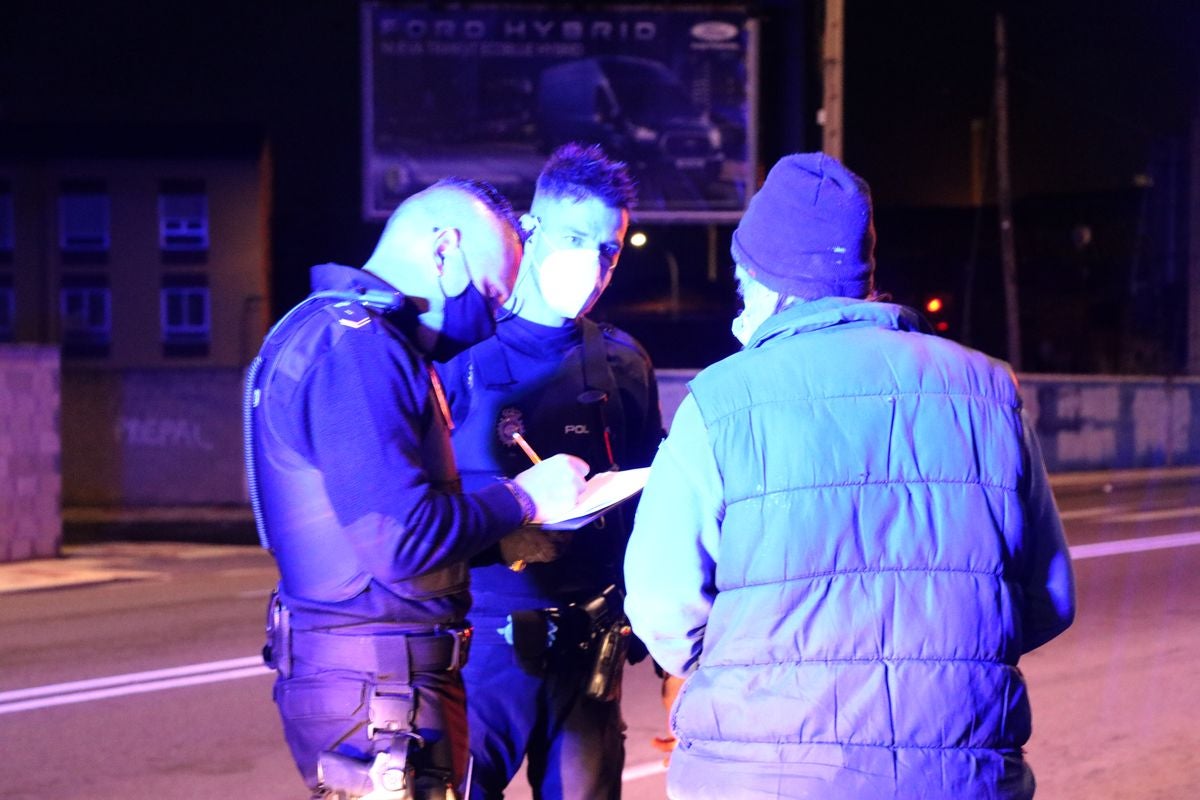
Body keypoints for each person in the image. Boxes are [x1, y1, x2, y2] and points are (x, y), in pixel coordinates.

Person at [624, 152, 1076, 800]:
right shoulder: (988, 393)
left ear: (765, 284)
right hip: (959, 776)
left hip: (764, 778)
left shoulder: (721, 402)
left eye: (741, 282)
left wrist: (734, 662)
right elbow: (1049, 598)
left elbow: (663, 601)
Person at [245, 177, 589, 800]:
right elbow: (399, 540)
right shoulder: (358, 349)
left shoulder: (345, 336)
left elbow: (368, 536)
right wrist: (525, 498)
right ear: (444, 248)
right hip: (381, 690)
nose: (490, 318)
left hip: (380, 682)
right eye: (489, 290)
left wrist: (501, 536)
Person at [437, 143, 663, 799]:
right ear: (530, 229)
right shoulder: (457, 355)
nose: (591, 266)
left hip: (590, 652)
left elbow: (650, 502)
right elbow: (409, 511)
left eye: (608, 250)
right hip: (478, 652)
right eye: (573, 238)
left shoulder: (624, 362)